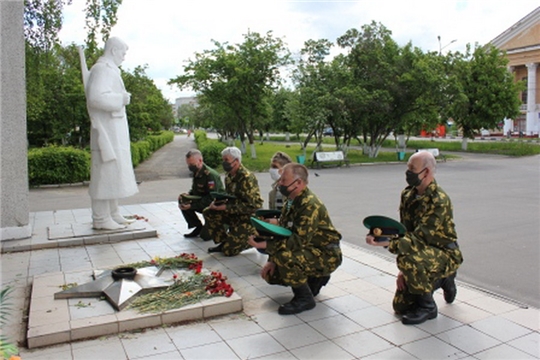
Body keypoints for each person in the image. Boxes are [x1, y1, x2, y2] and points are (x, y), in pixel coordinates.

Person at [365, 151, 463, 325]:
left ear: (425, 172)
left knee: (409, 259)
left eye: (412, 168)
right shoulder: (408, 195)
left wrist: (388, 243)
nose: (407, 172)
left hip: (444, 253)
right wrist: (404, 273)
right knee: (400, 307)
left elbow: (418, 240)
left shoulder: (439, 200)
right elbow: (405, 233)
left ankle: (428, 307)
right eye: (408, 168)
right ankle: (442, 280)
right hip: (421, 253)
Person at [248, 163, 342, 315]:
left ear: (298, 183)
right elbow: (284, 231)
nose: (280, 184)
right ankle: (316, 279)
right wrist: (271, 260)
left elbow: (298, 241)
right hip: (310, 250)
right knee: (272, 275)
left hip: (326, 254)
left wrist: (268, 245)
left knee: (285, 257)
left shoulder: (309, 205)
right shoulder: (291, 200)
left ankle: (304, 299)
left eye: (284, 181)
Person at [85, 37, 138, 230]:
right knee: (104, 175)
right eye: (123, 53)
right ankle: (100, 218)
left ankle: (113, 213)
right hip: (106, 133)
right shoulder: (102, 70)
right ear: (114, 50)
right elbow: (96, 98)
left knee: (113, 174)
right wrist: (121, 98)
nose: (124, 57)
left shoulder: (110, 70)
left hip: (114, 132)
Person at [203, 146, 263, 256]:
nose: (224, 163)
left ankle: (255, 238)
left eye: (226, 160)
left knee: (228, 252)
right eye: (223, 160)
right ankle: (225, 242)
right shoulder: (229, 176)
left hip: (249, 218)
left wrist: (227, 207)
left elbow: (253, 205)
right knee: (209, 212)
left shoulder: (246, 178)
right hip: (235, 214)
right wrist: (217, 203)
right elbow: (230, 197)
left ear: (236, 161)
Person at [178, 149, 224, 238]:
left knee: (205, 236)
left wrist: (192, 206)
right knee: (182, 199)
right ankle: (197, 226)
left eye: (191, 164)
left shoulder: (210, 175)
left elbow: (211, 198)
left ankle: (220, 226)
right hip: (203, 201)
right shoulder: (197, 172)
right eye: (188, 164)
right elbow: (195, 190)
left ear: (200, 161)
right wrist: (187, 196)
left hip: (215, 206)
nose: (190, 167)